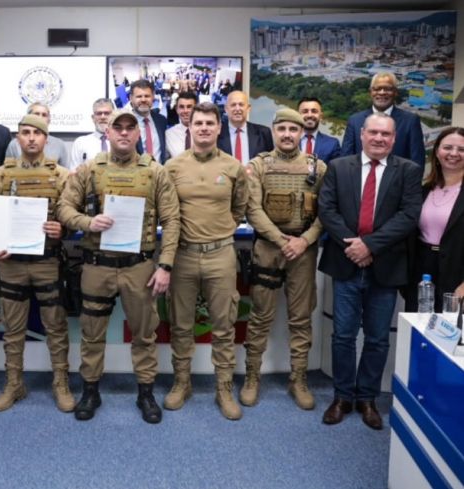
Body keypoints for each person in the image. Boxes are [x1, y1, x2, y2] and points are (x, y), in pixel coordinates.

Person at [57, 109, 180, 424]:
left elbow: (172, 220)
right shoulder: (89, 169)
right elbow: (64, 208)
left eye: (130, 128)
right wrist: (88, 222)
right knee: (91, 333)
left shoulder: (155, 171)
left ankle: (145, 392)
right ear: (108, 133)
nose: (124, 133)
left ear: (138, 133)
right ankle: (90, 391)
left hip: (139, 267)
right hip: (97, 266)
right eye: (118, 128)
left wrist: (165, 266)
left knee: (144, 334)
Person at [319, 113, 422, 430]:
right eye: (373, 132)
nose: (379, 138)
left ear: (394, 138)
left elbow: (409, 215)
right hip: (346, 263)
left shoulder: (408, 170)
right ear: (362, 134)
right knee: (343, 336)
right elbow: (327, 209)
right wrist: (355, 246)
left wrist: (370, 246)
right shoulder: (339, 167)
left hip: (385, 267)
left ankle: (367, 398)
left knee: (377, 339)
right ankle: (342, 397)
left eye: (386, 134)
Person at [0, 114, 73, 413]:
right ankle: (14, 383)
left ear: (47, 138)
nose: (31, 137)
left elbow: (74, 214)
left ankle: (61, 383)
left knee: (56, 328)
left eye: (37, 132)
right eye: (25, 132)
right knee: (12, 329)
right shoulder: (0, 175)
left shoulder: (62, 176)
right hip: (11, 265)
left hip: (48, 261)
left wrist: (63, 229)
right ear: (17, 138)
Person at [164, 102, 248, 420]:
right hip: (183, 255)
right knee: (181, 325)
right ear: (190, 127)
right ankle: (181, 383)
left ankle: (223, 388)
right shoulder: (173, 167)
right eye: (198, 123)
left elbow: (239, 208)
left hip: (220, 255)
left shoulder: (233, 167)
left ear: (218, 128)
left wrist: (219, 230)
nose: (203, 128)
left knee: (224, 326)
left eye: (209, 123)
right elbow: (167, 212)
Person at [240, 108, 327, 410]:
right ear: (274, 131)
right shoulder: (258, 166)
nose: (287, 134)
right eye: (282, 129)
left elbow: (327, 211)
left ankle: (298, 379)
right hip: (268, 248)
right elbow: (252, 209)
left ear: (302, 132)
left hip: (303, 250)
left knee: (301, 318)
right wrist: (280, 240)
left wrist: (305, 240)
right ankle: (252, 377)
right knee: (260, 316)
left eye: (293, 129)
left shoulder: (318, 167)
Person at [403, 127, 464, 312]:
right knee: (418, 327)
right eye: (448, 147)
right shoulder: (424, 190)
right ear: (437, 152)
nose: (454, 153)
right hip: (421, 274)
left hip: (457, 274)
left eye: (461, 149)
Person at [341, 72, 426, 169]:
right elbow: (345, 160)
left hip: (397, 178)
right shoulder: (355, 121)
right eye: (377, 89)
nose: (382, 92)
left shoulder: (410, 121)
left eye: (387, 89)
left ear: (395, 92)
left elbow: (417, 163)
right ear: (371, 92)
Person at [218, 91, 273, 165]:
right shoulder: (217, 134)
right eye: (233, 105)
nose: (237, 108)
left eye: (241, 105)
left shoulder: (263, 133)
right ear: (226, 109)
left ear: (248, 108)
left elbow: (270, 164)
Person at [129, 79, 168, 164]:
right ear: (131, 98)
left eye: (147, 96)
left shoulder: (161, 121)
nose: (143, 100)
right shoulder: (126, 124)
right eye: (139, 96)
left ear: (153, 97)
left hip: (160, 170)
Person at [70, 98, 114, 171]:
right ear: (93, 118)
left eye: (107, 113)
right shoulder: (80, 143)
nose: (102, 117)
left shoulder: (120, 141)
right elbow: (74, 173)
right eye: (99, 113)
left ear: (114, 116)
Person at [297, 97, 341, 165]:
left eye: (314, 111)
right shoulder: (287, 140)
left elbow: (336, 170)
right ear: (297, 115)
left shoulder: (332, 144)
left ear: (321, 116)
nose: (309, 115)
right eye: (305, 111)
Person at [165, 91, 197, 159]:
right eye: (182, 107)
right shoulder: (168, 134)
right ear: (177, 110)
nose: (185, 111)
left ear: (196, 109)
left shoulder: (205, 132)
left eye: (189, 107)